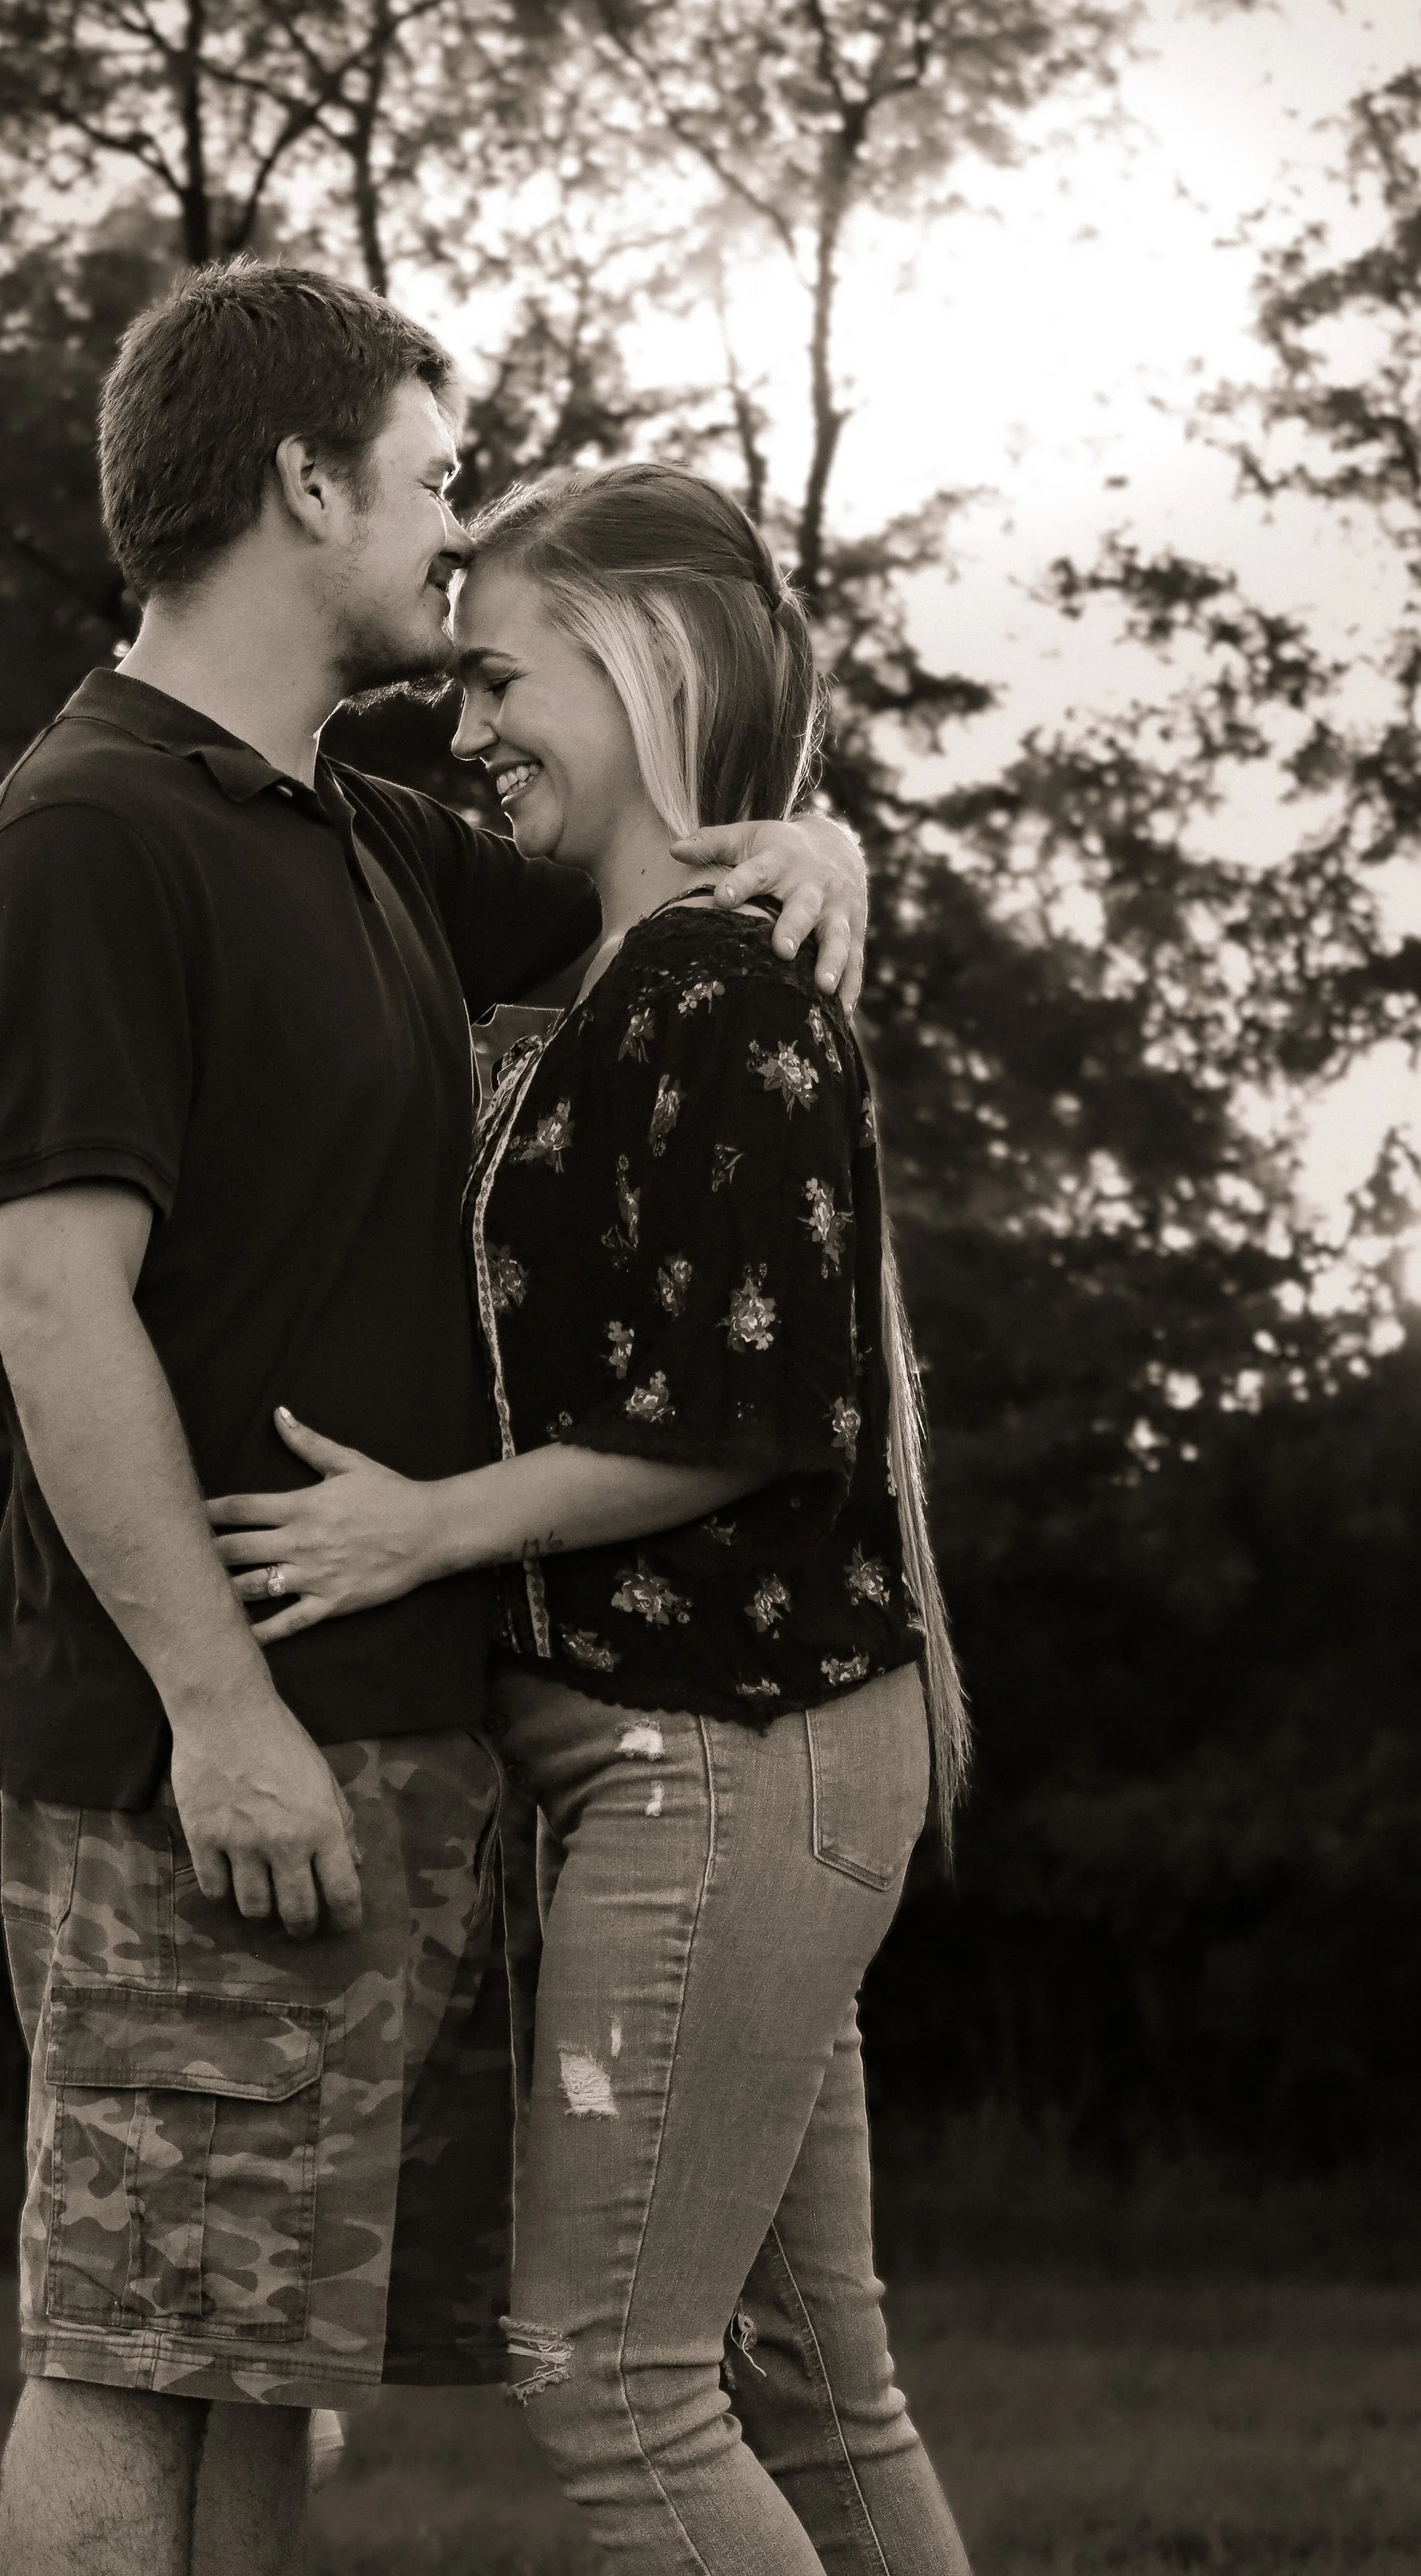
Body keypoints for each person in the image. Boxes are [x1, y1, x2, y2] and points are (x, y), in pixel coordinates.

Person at [0, 265, 874, 2576]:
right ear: (304, 480)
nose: (452, 551)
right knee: (127, 2341)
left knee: (256, 2363)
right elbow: (52, 1298)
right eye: (434, 483)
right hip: (200, 1742)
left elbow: (649, 856)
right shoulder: (90, 832)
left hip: (383, 1731)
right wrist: (214, 1704)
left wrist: (816, 829)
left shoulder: (345, 835)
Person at [207, 460, 974, 2575]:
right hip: (720, 1755)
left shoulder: (716, 990)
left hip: (731, 1759)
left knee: (613, 2374)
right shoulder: (636, 968)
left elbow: (752, 1413)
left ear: (649, 672)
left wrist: (428, 1530)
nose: (463, 727)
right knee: (814, 2380)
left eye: (499, 676)